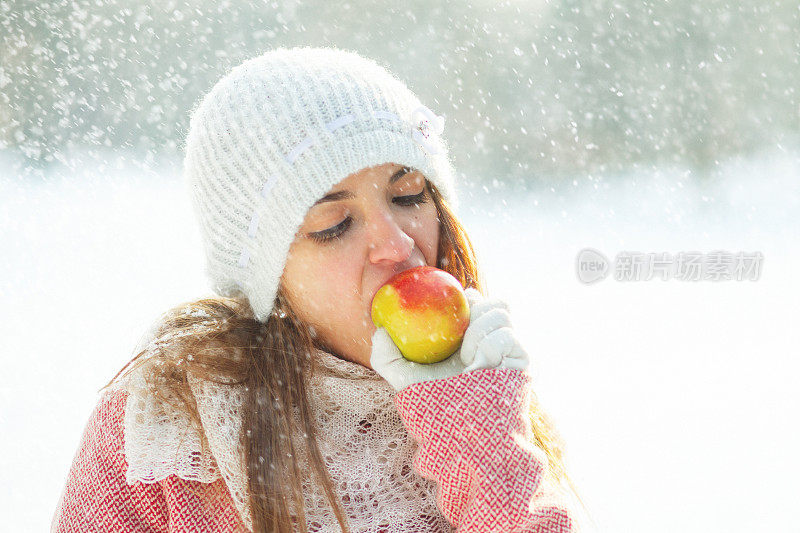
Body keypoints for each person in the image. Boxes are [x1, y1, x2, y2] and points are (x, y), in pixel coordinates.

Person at [51, 46, 583, 533]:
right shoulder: (166, 434)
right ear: (268, 280)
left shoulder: (483, 391)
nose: (396, 245)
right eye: (333, 224)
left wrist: (479, 441)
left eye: (408, 194)